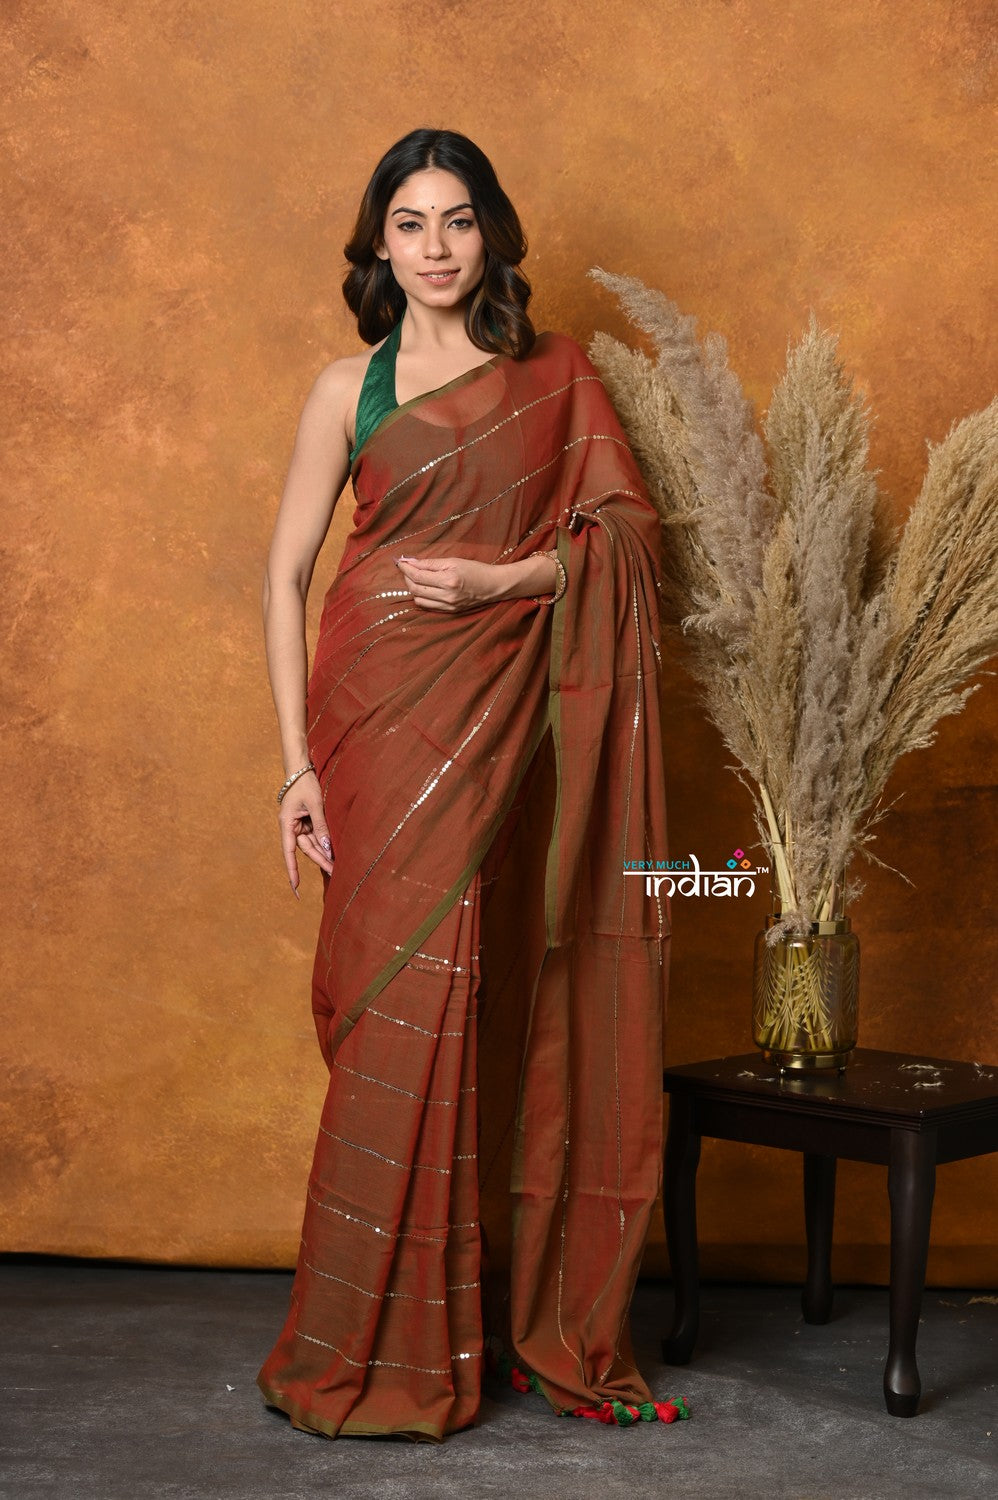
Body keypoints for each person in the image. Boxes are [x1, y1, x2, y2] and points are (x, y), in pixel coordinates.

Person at [256, 127, 681, 1443]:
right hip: (371, 719)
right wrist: (295, 766)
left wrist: (505, 580)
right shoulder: (348, 388)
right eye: (409, 223)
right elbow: (284, 575)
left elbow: (629, 541)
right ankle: (357, 1339)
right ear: (377, 246)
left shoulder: (554, 376)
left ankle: (440, 1335)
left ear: (490, 233)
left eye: (456, 220)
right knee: (390, 1007)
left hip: (497, 710)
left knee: (467, 993)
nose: (435, 247)